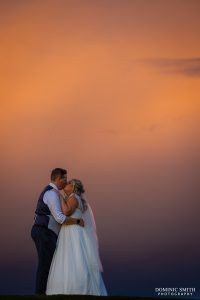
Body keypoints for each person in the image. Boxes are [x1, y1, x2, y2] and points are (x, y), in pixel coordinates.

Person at [46, 179, 107, 296]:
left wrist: (59, 196)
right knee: (71, 257)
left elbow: (67, 211)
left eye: (69, 183)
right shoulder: (72, 198)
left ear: (74, 188)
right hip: (71, 230)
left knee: (74, 257)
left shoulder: (73, 197)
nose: (66, 184)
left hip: (72, 231)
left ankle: (75, 288)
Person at [31, 168, 84, 295]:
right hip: (44, 231)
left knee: (48, 264)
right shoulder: (51, 193)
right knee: (45, 265)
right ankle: (40, 294)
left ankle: (45, 292)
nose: (66, 182)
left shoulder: (54, 193)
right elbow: (60, 218)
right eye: (64, 179)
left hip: (46, 232)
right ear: (57, 179)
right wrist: (77, 221)